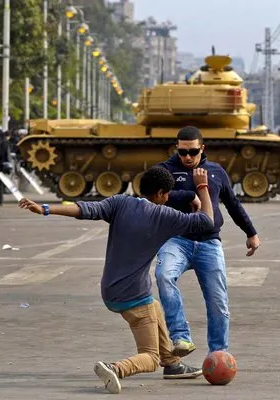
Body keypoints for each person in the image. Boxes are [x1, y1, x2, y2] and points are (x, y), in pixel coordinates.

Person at [18, 166, 215, 394]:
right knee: (150, 357)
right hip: (134, 298)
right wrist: (202, 187)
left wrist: (44, 208)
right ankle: (115, 368)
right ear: (161, 194)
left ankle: (172, 364)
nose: (168, 197)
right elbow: (207, 221)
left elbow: (85, 208)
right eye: (167, 194)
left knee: (156, 307)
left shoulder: (121, 203)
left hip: (110, 291)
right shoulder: (166, 216)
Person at [156, 126, 260, 357]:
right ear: (177, 149)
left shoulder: (215, 171)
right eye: (182, 152)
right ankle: (181, 336)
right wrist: (189, 194)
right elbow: (153, 194)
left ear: (202, 149)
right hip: (176, 240)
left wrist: (250, 233)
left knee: (218, 302)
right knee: (164, 276)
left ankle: (218, 354)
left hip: (209, 243)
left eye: (193, 152)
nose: (187, 157)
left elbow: (232, 203)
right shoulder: (166, 170)